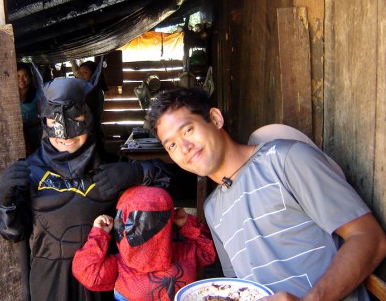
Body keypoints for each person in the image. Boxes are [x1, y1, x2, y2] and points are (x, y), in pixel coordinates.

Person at [146, 87, 386, 300]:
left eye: (188, 130)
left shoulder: (286, 160)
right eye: (172, 145)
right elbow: (239, 287)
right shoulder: (213, 208)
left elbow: (369, 238)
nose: (184, 148)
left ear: (216, 119)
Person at [0, 67, 171, 301]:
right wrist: (4, 202)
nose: (65, 135)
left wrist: (134, 172)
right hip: (50, 285)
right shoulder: (30, 171)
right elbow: (14, 232)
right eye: (54, 120)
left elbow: (166, 181)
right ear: (44, 121)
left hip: (104, 281)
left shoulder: (112, 167)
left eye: (75, 120)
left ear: (91, 118)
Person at [72, 185, 216, 301]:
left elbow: (86, 271)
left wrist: (99, 234)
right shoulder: (185, 255)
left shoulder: (119, 266)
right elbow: (208, 248)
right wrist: (186, 224)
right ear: (168, 221)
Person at [72, 59, 108, 159]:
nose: (81, 75)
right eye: (80, 72)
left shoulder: (94, 92)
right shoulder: (85, 89)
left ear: (94, 75)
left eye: (85, 73)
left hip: (92, 129)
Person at [17, 63, 41, 155]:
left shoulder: (37, 94)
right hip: (16, 135)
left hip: (33, 136)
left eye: (25, 76)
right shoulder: (10, 95)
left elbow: (41, 119)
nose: (21, 80)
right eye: (18, 76)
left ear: (30, 77)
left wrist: (23, 126)